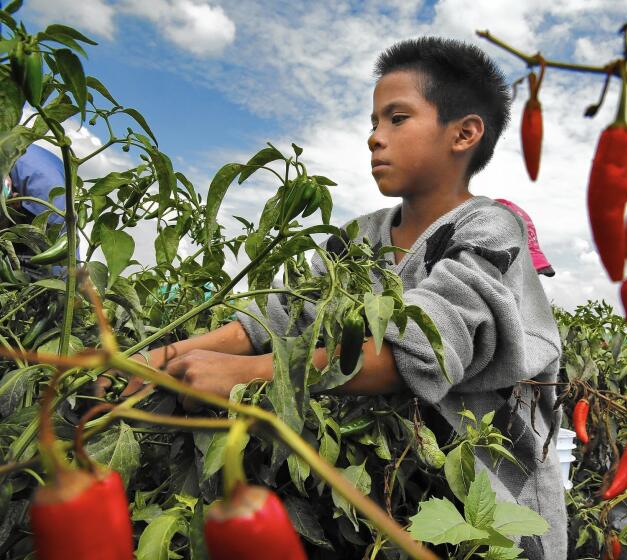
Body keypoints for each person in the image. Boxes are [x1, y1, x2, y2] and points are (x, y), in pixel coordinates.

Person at [110, 37, 566, 558]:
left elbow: (426, 348)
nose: (375, 138)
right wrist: (150, 361)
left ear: (464, 133)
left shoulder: (489, 228)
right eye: (373, 123)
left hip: (492, 520)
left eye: (397, 119)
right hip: (379, 507)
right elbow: (275, 317)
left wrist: (256, 373)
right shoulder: (358, 238)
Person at [2, 144, 73, 279]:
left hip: (48, 204)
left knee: (49, 273)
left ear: (15, 201)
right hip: (44, 179)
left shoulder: (46, 202)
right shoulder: (10, 147)